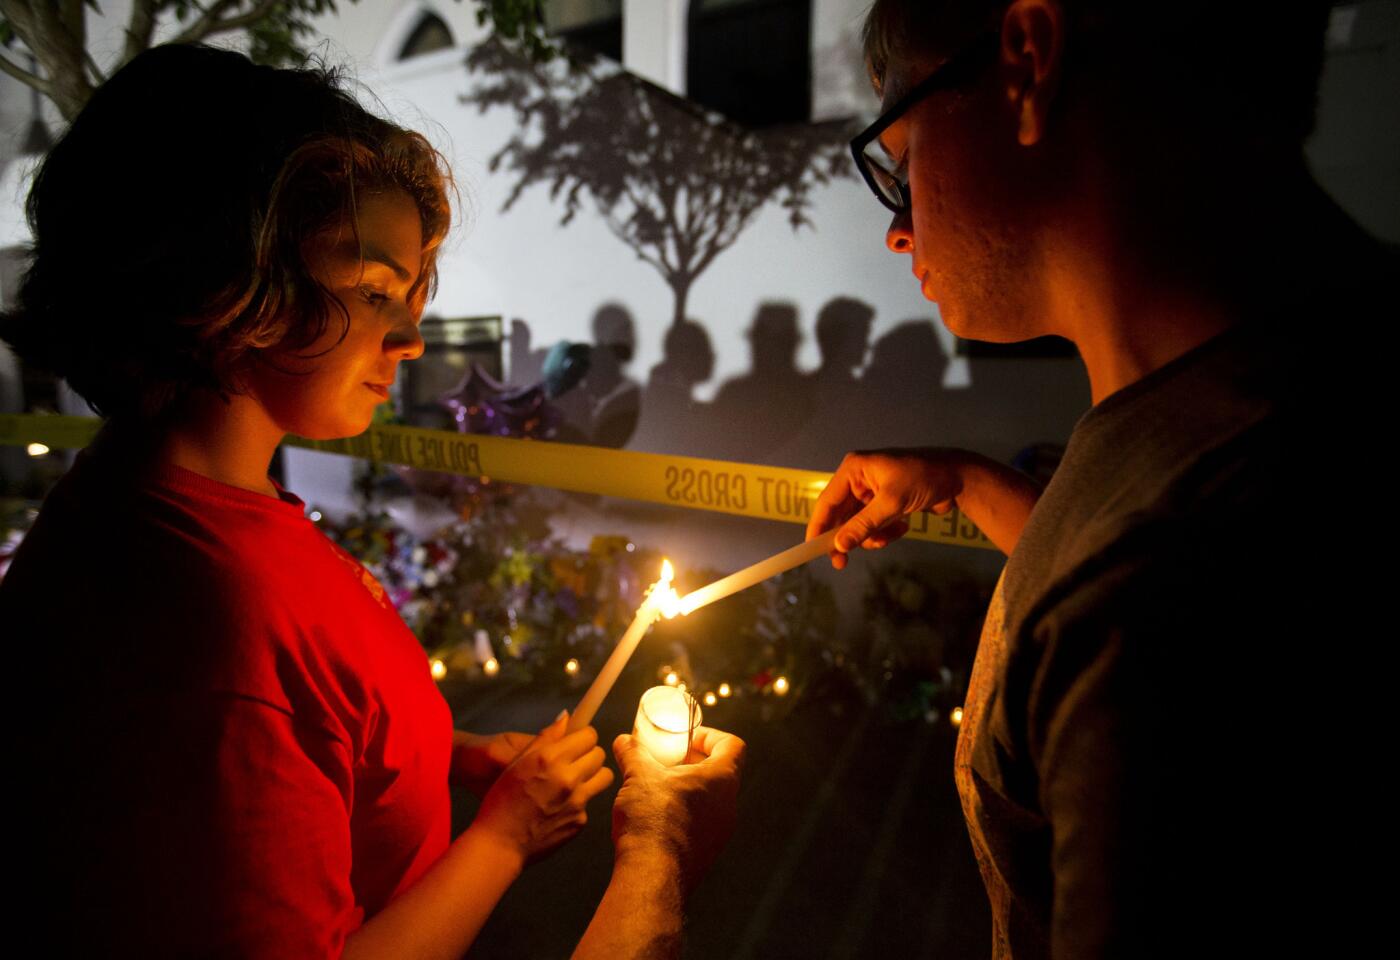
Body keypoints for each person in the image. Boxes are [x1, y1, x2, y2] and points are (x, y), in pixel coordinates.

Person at [0, 44, 742, 958]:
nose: (412, 338)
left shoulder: (184, 505)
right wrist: (504, 836)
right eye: (375, 290)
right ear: (226, 285)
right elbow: (257, 718)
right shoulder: (206, 624)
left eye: (414, 293)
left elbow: (304, 744)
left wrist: (447, 757)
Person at [807, 2, 1387, 957]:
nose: (898, 232)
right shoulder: (1228, 400)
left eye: (902, 160)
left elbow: (1137, 584)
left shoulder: (1169, 596)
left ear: (1025, 65)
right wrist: (965, 482)